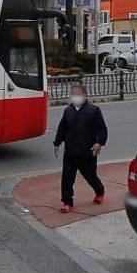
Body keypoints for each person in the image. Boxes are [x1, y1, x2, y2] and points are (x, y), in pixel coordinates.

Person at [53, 82, 108, 213]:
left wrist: (99, 142)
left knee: (90, 176)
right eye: (73, 94)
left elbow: (102, 129)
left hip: (87, 152)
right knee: (67, 177)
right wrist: (57, 142)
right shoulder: (68, 111)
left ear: (84, 96)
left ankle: (99, 191)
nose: (75, 97)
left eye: (78, 94)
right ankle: (67, 201)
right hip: (70, 151)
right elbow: (62, 128)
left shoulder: (93, 110)